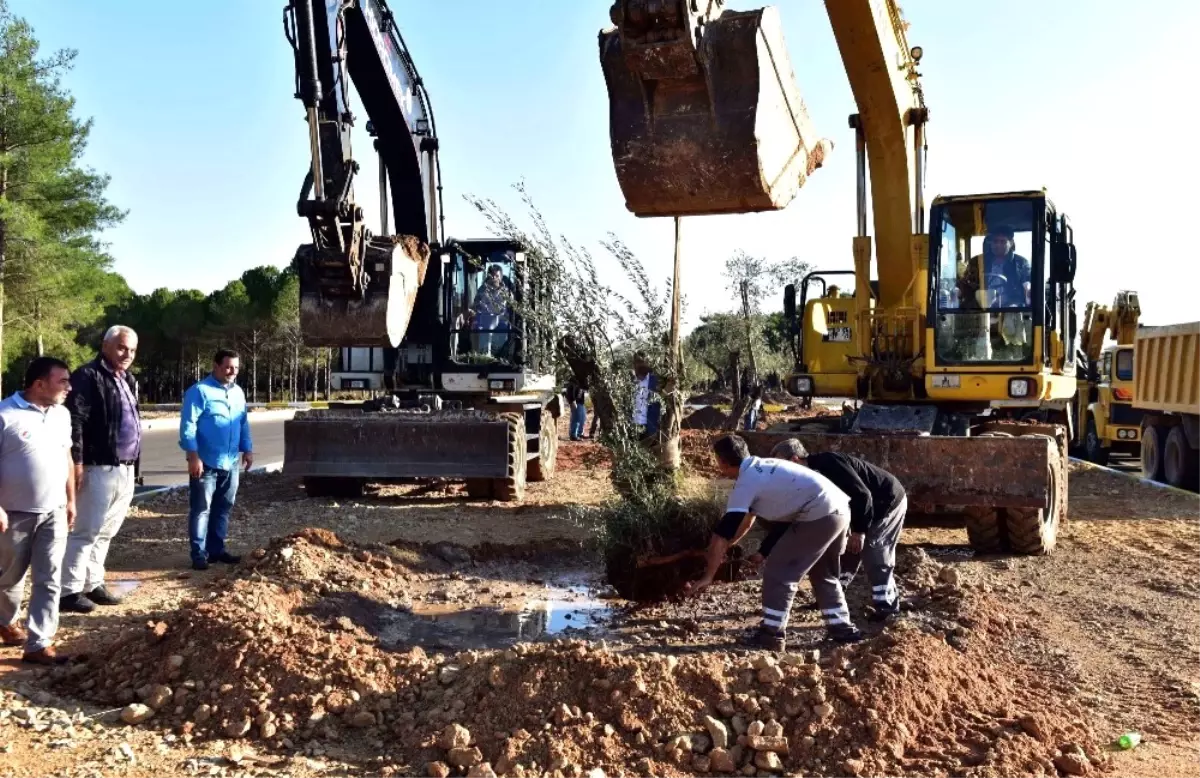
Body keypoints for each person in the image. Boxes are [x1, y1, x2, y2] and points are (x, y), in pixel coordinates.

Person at [686, 435, 861, 650]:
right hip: (841, 510)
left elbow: (721, 534)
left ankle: (772, 634)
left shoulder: (745, 483)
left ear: (721, 461)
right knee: (823, 573)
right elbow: (746, 522)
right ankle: (842, 629)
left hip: (819, 513)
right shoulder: (763, 468)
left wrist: (707, 576)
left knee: (779, 572)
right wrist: (728, 548)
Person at [765, 438, 907, 620]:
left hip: (886, 500)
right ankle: (833, 598)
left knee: (875, 551)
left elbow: (863, 495)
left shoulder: (829, 463)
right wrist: (765, 550)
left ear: (794, 460)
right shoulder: (807, 479)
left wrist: (859, 531)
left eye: (781, 466)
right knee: (846, 551)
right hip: (860, 506)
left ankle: (887, 607)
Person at [0, 357, 76, 665]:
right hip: (13, 513)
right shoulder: (5, 414)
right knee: (8, 577)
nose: (69, 388)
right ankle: (5, 621)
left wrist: (71, 500)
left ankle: (38, 643)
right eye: (63, 382)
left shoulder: (62, 415)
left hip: (54, 511)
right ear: (39, 384)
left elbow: (67, 458)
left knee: (49, 577)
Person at [61, 325, 141, 614]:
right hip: (97, 468)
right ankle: (68, 590)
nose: (127, 354)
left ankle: (92, 583)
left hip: (125, 469)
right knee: (85, 532)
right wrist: (78, 463)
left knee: (106, 532)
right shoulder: (88, 376)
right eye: (122, 347)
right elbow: (76, 421)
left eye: (132, 349)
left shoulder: (127, 379)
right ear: (105, 345)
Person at [180, 349, 253, 571]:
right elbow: (188, 427)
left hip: (230, 462)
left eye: (236, 368)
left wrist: (247, 449)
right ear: (216, 366)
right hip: (205, 463)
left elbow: (242, 423)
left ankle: (216, 550)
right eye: (228, 367)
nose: (232, 371)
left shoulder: (238, 393)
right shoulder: (199, 391)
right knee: (202, 508)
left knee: (224, 507)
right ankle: (198, 554)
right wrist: (193, 456)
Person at [471, 264, 511, 356]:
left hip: (501, 324)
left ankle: (498, 356)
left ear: (501, 277)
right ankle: (483, 357)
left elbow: (510, 308)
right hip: (484, 323)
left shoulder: (506, 292)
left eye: (497, 276)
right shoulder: (481, 291)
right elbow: (476, 306)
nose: (494, 278)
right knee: (480, 331)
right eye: (492, 275)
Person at [632, 352, 660, 438]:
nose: (641, 364)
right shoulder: (630, 381)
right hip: (635, 425)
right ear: (634, 364)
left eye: (643, 361)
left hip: (651, 426)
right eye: (639, 362)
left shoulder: (655, 380)